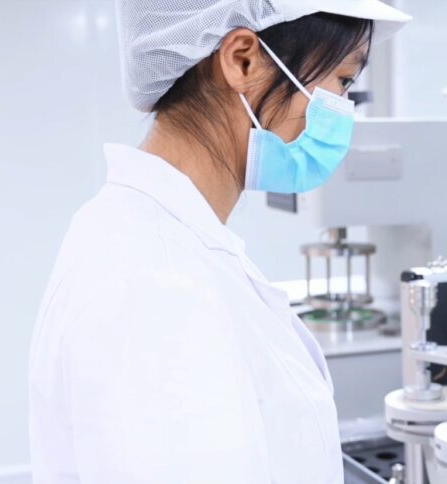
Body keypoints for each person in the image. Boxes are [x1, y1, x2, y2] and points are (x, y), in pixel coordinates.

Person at [28, 1, 410, 482]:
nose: (342, 108)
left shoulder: (168, 243)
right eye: (343, 81)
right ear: (242, 60)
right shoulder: (156, 286)